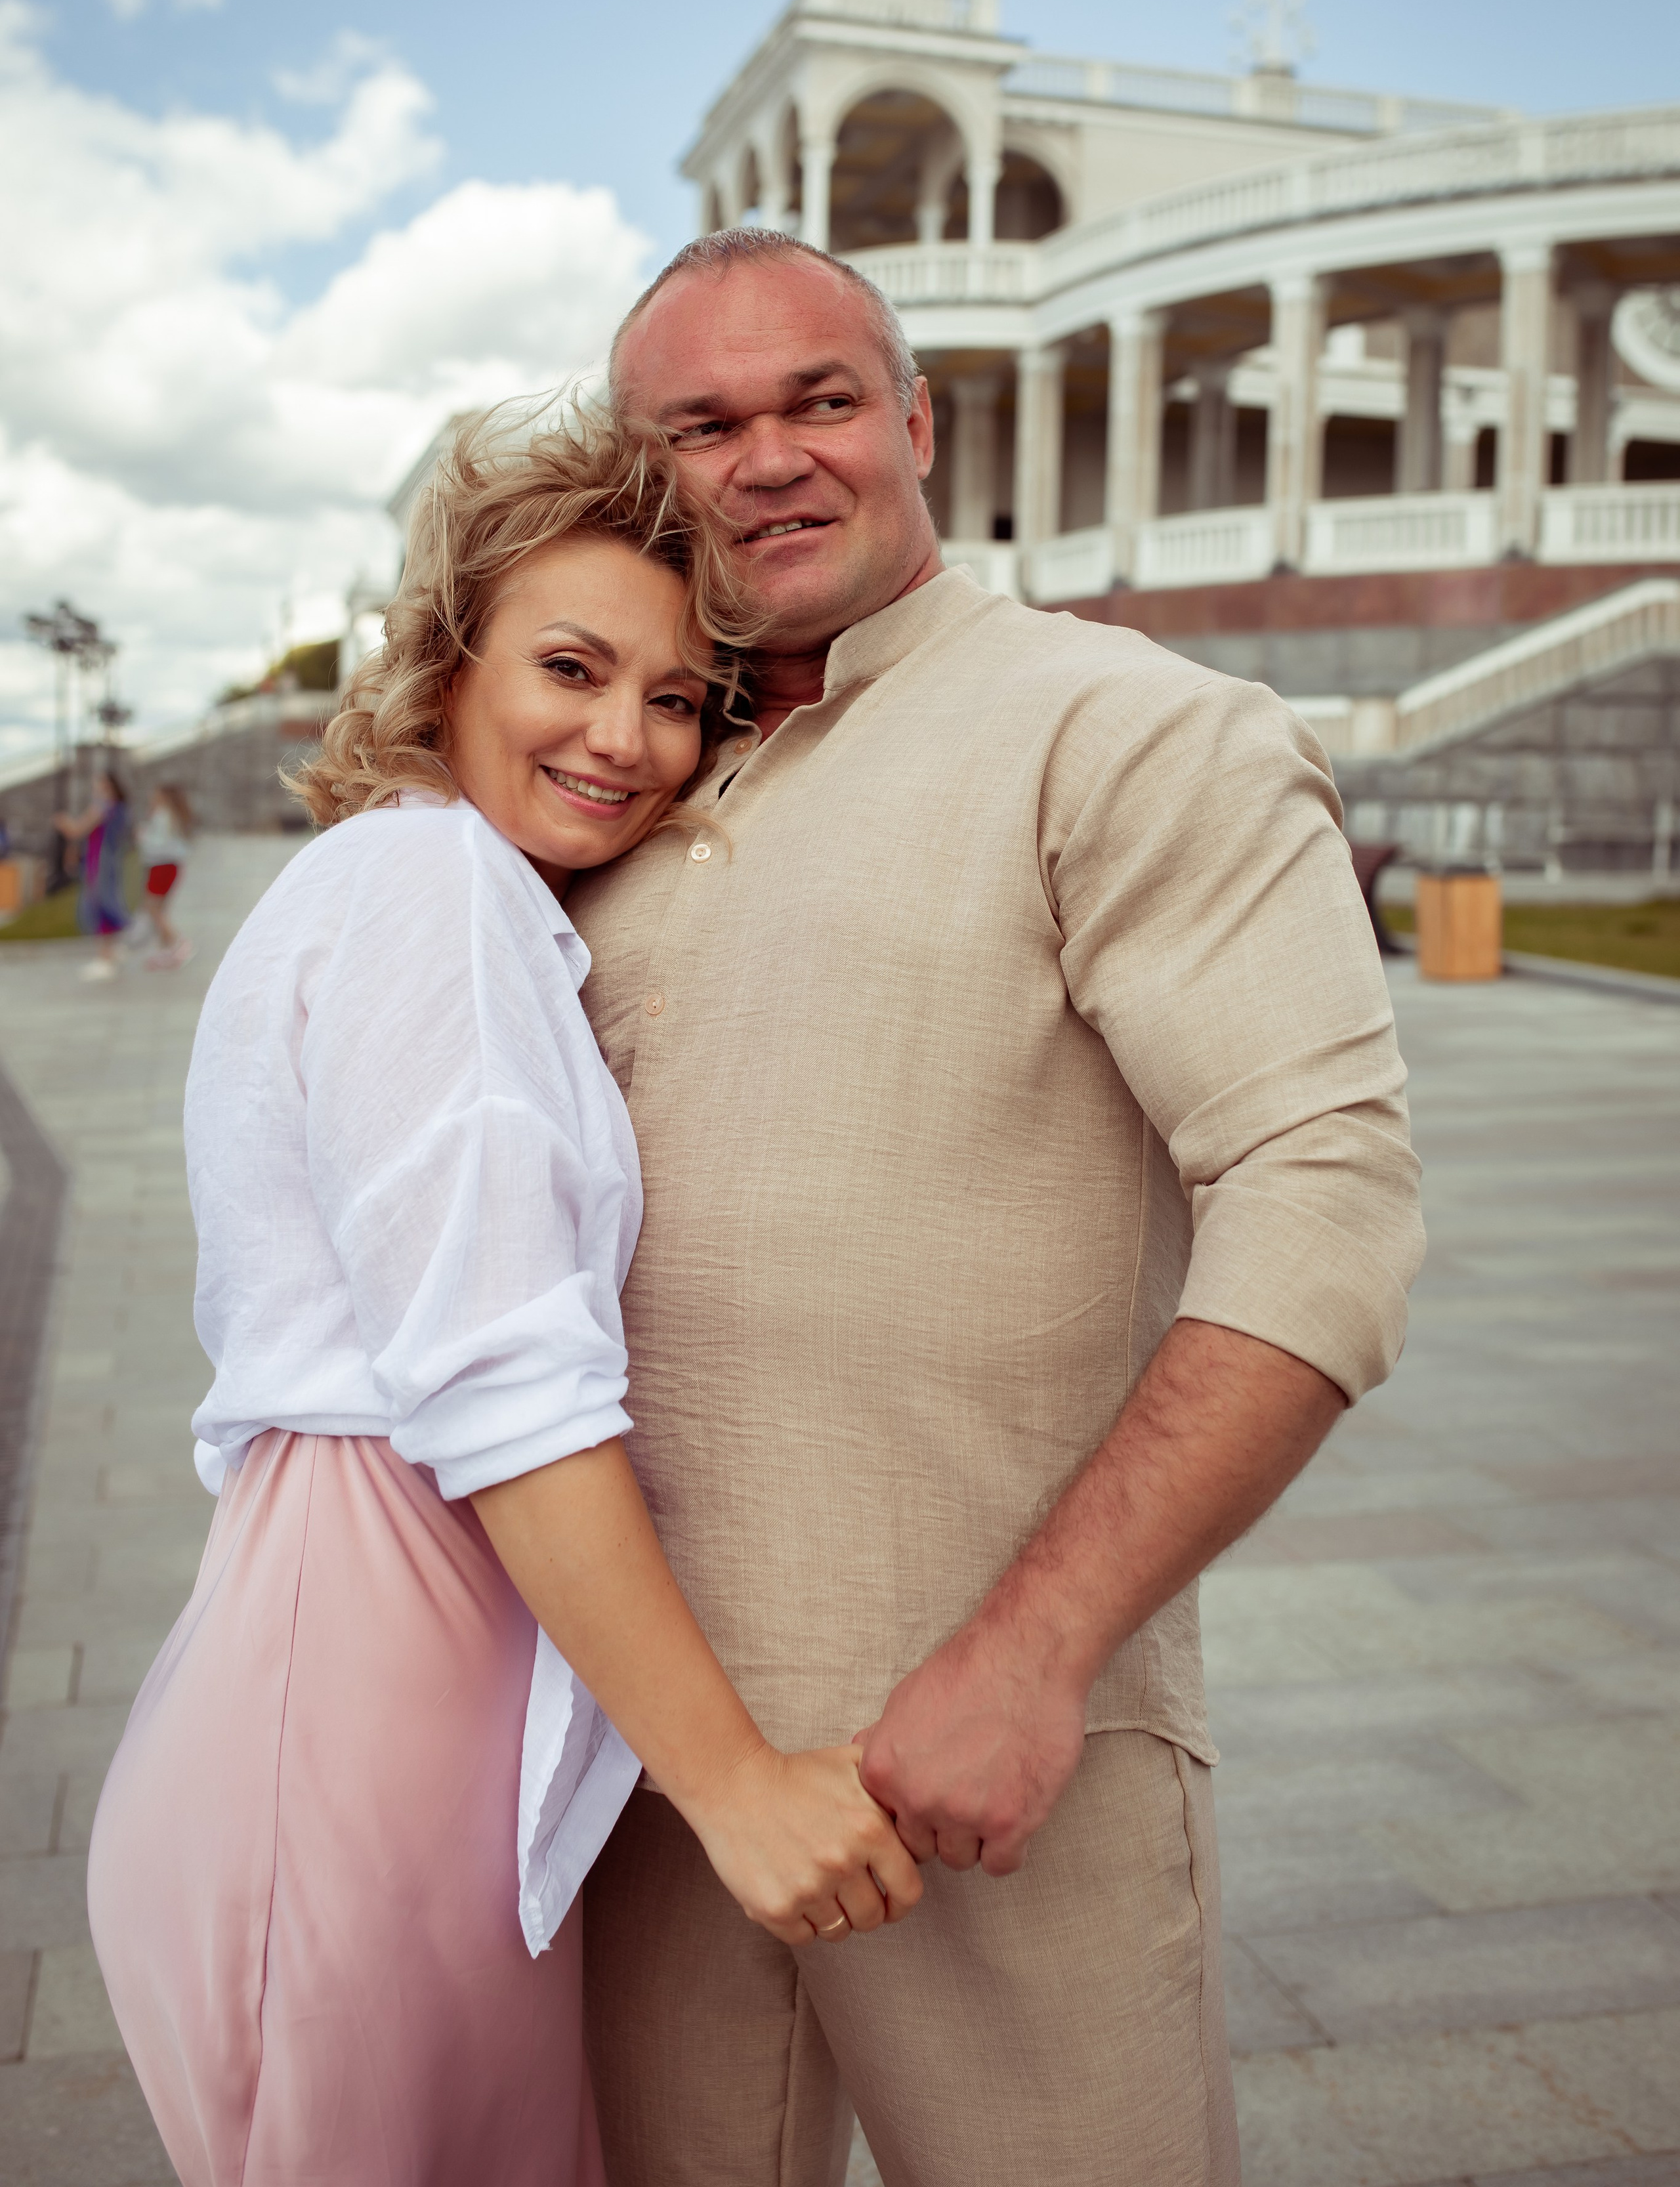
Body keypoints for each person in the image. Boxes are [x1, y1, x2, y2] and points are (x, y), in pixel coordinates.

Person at [566, 228, 1427, 2187]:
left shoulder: (1121, 727)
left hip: (978, 1743)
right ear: (641, 474)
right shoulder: (621, 785)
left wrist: (1036, 1651)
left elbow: (1323, 1192)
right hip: (639, 1765)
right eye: (702, 424)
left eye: (821, 400)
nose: (770, 456)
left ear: (915, 422)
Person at [86, 407, 923, 2187]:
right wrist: (738, 1785)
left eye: (681, 695)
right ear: (446, 664)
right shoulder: (427, 893)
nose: (627, 736)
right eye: (571, 666)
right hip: (377, 1650)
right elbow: (501, 1379)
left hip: (404, 1650)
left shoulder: (462, 899)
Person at [55, 766, 131, 982]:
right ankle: (113, 951)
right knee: (108, 900)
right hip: (108, 861)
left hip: (99, 862)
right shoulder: (119, 807)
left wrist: (63, 822)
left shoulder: (102, 806)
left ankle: (105, 958)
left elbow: (77, 829)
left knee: (99, 904)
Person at [137, 782, 195, 969]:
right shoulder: (171, 815)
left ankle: (180, 943)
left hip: (162, 865)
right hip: (170, 865)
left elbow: (158, 844)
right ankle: (166, 951)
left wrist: (142, 836)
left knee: (152, 909)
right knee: (160, 911)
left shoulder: (163, 815)